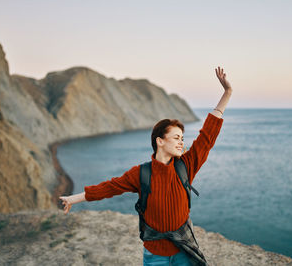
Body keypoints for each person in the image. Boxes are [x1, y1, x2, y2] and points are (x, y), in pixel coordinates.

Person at [59, 66, 232, 266]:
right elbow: (109, 188)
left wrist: (227, 93)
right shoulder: (141, 174)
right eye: (176, 137)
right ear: (160, 141)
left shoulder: (186, 165)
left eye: (182, 138)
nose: (181, 143)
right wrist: (73, 199)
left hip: (184, 251)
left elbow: (207, 136)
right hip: (154, 257)